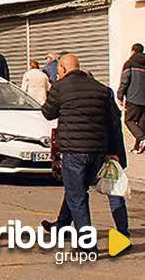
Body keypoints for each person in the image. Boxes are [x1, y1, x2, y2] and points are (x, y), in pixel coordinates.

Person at [41, 53, 121, 236]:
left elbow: (48, 113)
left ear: (62, 68)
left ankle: (87, 244)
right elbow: (112, 121)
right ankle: (61, 226)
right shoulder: (100, 88)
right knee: (76, 190)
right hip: (97, 151)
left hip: (74, 150)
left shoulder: (60, 87)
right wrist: (112, 151)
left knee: (77, 197)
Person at [117, 43, 145, 154]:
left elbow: (125, 80)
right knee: (142, 124)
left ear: (133, 51)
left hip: (133, 98)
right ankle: (138, 147)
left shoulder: (129, 63)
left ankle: (142, 139)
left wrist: (119, 95)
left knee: (129, 121)